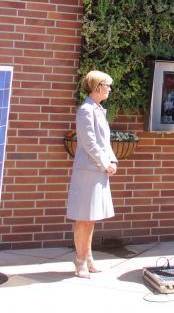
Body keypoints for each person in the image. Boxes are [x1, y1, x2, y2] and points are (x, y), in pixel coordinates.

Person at [66, 70, 118, 278]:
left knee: (92, 217)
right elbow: (89, 143)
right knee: (83, 217)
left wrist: (112, 160)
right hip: (88, 170)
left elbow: (104, 142)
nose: (109, 89)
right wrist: (105, 163)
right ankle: (79, 261)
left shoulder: (98, 110)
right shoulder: (86, 110)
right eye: (107, 85)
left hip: (98, 170)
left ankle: (87, 257)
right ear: (97, 87)